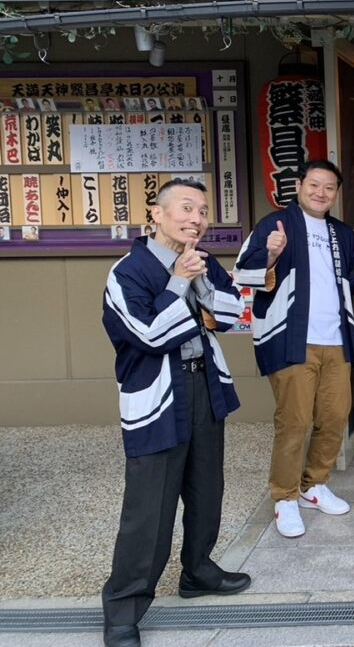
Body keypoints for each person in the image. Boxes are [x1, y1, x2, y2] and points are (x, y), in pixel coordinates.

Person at [101, 178, 250, 647]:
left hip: (204, 384)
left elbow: (231, 312)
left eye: (203, 211)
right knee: (150, 505)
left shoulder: (202, 263)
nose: (197, 219)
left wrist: (199, 280)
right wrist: (180, 282)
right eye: (186, 208)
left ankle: (198, 571)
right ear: (157, 215)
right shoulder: (128, 272)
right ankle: (124, 608)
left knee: (207, 488)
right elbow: (147, 335)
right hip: (158, 396)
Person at [233, 159, 354, 539]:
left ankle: (314, 485)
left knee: (334, 416)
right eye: (314, 185)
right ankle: (284, 496)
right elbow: (244, 275)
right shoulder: (275, 225)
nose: (321, 193)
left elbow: (350, 285)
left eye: (329, 187)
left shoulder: (342, 233)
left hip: (337, 340)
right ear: (299, 185)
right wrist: (271, 253)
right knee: (293, 420)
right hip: (291, 338)